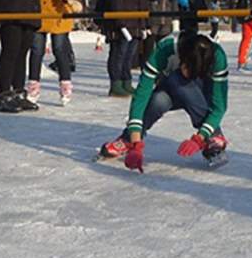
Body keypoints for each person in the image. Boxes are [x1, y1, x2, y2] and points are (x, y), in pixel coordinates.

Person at [97, 32, 229, 171]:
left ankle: (213, 135)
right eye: (191, 71)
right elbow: (142, 95)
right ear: (180, 58)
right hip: (170, 86)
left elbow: (219, 106)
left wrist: (200, 137)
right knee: (159, 99)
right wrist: (135, 141)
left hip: (202, 92)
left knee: (182, 81)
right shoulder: (164, 50)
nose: (192, 76)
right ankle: (127, 139)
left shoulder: (217, 56)